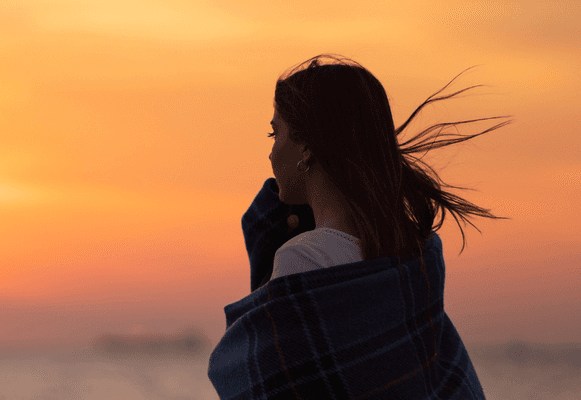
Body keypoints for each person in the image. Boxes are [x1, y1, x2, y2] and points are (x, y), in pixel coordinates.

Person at [208, 54, 514, 399]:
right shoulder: (406, 256)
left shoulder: (303, 258)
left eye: (275, 133)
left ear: (305, 147)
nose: (271, 152)